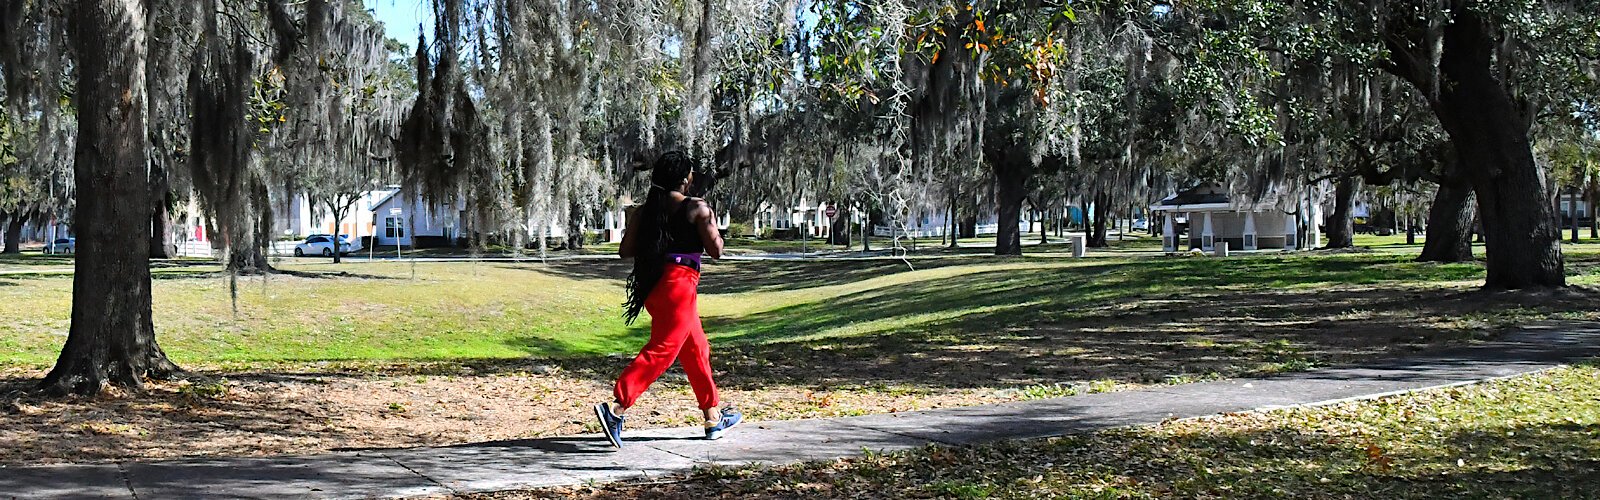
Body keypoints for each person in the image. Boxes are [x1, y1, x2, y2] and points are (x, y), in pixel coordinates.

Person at [594, 151, 741, 448]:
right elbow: (717, 250)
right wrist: (712, 227)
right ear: (684, 179)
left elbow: (625, 251)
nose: (692, 178)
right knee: (663, 349)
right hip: (680, 285)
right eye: (690, 174)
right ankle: (616, 408)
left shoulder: (644, 211)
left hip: (655, 285)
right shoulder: (697, 208)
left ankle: (713, 416)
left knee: (696, 347)